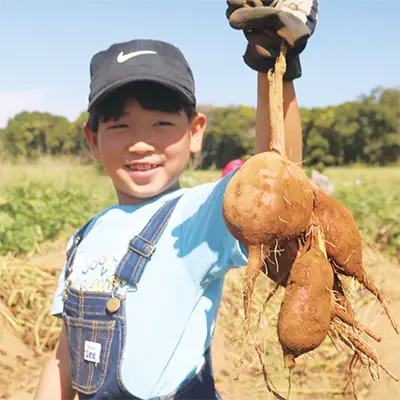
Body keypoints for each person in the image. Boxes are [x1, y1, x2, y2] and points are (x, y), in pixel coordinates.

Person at [34, 2, 318, 399]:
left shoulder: (198, 215)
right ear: (93, 140)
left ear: (195, 132)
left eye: (162, 123)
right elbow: (66, 353)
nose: (141, 142)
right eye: (120, 125)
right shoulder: (83, 239)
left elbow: (276, 178)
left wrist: (273, 67)